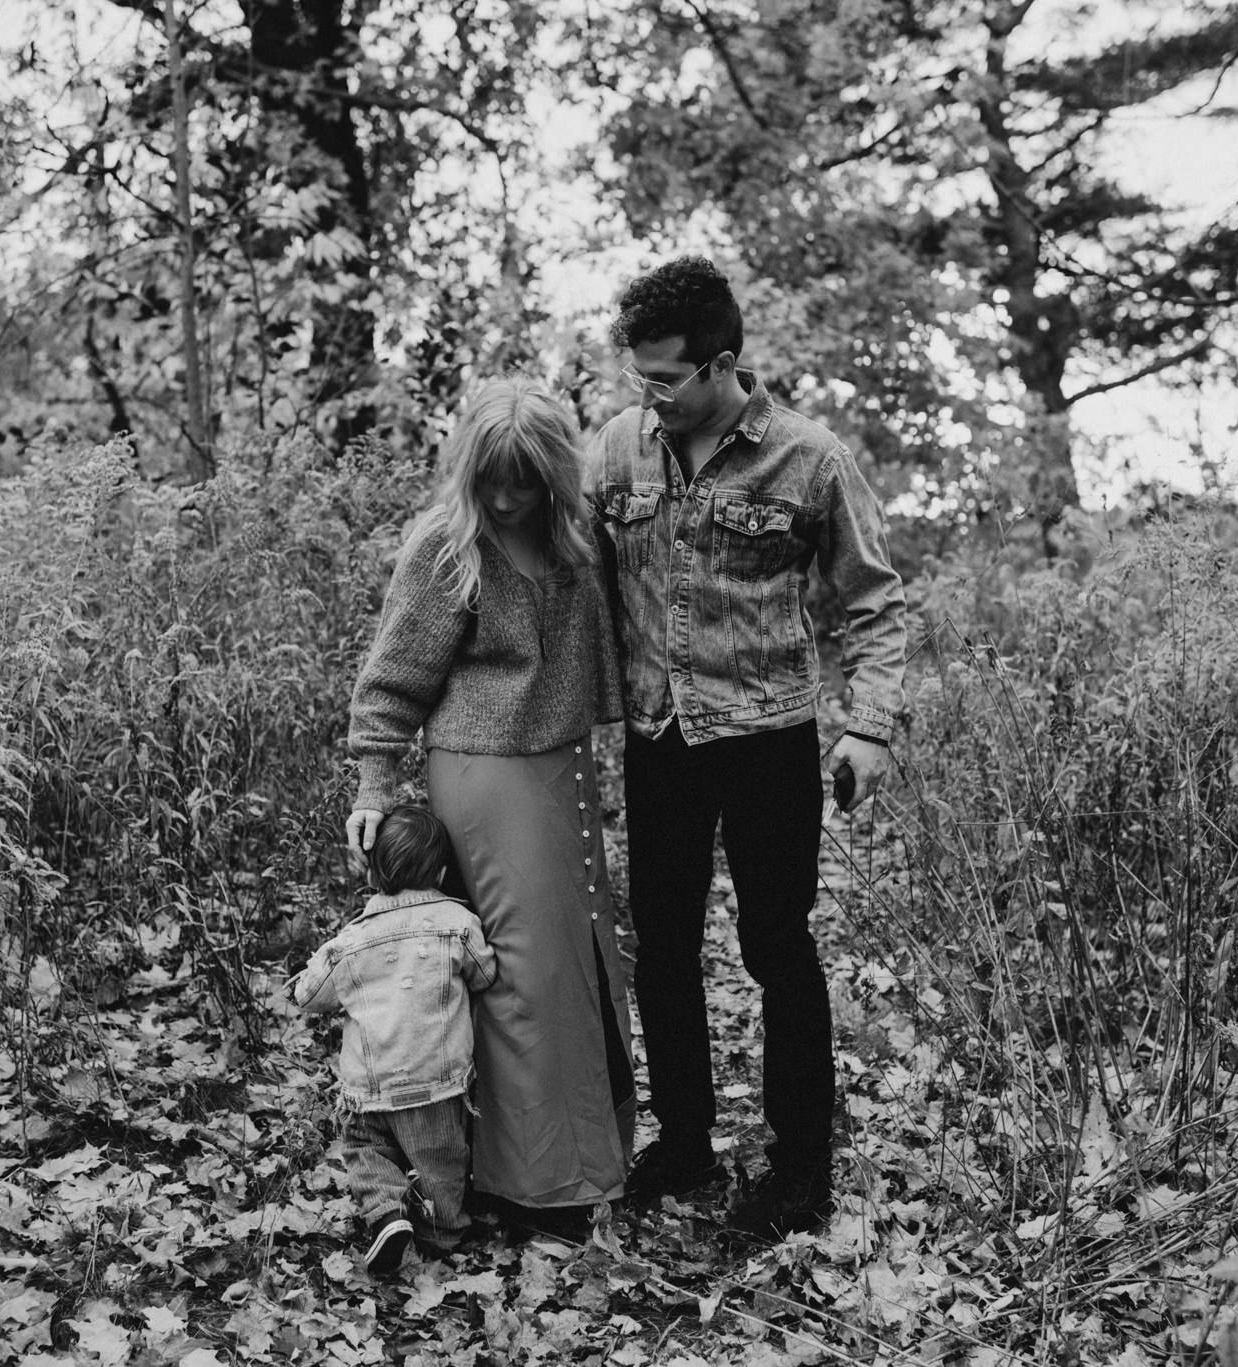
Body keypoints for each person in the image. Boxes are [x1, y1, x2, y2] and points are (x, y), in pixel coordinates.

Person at [590, 255, 908, 1240]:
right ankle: (682, 1139)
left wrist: (867, 725)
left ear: (720, 363)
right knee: (663, 947)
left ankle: (798, 1167)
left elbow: (873, 599)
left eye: (662, 378)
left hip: (768, 734)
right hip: (659, 736)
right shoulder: (613, 452)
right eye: (635, 377)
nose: (645, 395)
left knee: (776, 945)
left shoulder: (808, 459)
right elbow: (578, 584)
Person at [345, 377, 636, 1244]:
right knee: (520, 974)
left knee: (583, 965)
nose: (506, 497)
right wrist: (372, 782)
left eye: (525, 480)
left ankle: (579, 1162)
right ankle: (528, 1184)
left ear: (555, 473)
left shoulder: (580, 539)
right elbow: (392, 678)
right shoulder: (447, 546)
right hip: (483, 775)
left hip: (562, 771)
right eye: (492, 480)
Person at [292, 805, 498, 1273]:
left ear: (373, 873)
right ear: (443, 871)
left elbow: (309, 995)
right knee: (441, 1158)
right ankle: (443, 1233)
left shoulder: (352, 940)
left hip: (370, 1085)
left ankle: (386, 1212)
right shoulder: (457, 923)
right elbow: (484, 973)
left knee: (364, 1149)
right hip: (436, 1080)